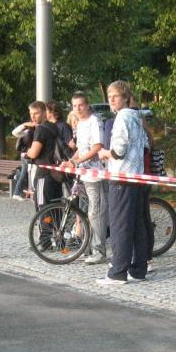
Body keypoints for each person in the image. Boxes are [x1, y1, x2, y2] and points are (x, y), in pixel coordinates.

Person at [96, 81, 148, 285]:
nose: (111, 100)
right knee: (137, 225)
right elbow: (145, 147)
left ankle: (117, 272)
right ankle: (139, 270)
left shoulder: (122, 117)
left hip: (121, 178)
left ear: (125, 97)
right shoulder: (137, 116)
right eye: (109, 97)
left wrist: (104, 153)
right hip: (136, 177)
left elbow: (118, 151)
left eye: (115, 96)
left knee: (120, 225)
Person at [65, 91, 107, 264]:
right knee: (86, 211)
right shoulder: (80, 123)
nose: (78, 108)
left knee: (96, 212)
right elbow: (81, 149)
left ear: (87, 105)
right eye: (74, 106)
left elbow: (97, 146)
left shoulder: (94, 121)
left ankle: (99, 251)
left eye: (81, 105)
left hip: (95, 173)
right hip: (83, 174)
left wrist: (78, 160)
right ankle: (87, 246)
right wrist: (71, 160)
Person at [25, 100, 62, 210]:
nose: (33, 116)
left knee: (43, 207)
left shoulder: (40, 129)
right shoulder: (54, 127)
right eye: (31, 113)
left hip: (43, 174)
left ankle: (45, 223)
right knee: (55, 207)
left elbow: (33, 153)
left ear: (44, 112)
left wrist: (27, 151)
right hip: (56, 173)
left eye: (36, 113)